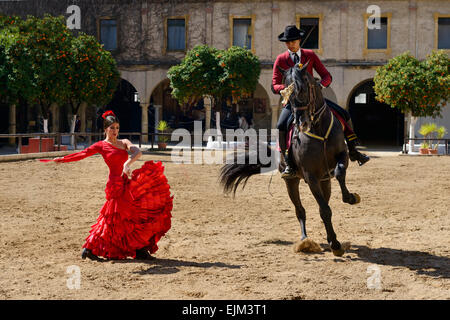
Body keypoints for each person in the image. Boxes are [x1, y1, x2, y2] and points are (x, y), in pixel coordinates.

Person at [41, 110, 173, 261]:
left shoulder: (124, 142)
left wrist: (127, 163)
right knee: (114, 218)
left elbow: (137, 152)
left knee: (135, 215)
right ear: (105, 129)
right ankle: (91, 247)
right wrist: (63, 159)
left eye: (117, 127)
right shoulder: (101, 146)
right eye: (112, 128)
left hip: (127, 183)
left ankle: (139, 248)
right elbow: (82, 154)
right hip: (116, 185)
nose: (115, 131)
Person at [272, 25, 370, 179]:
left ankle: (353, 151)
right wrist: (284, 89)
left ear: (299, 40)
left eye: (293, 41)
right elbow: (274, 84)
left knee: (343, 114)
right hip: (294, 104)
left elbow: (327, 76)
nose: (290, 44)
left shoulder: (310, 55)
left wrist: (319, 85)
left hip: (313, 99)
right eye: (287, 42)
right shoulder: (281, 59)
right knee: (280, 125)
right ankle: (289, 163)